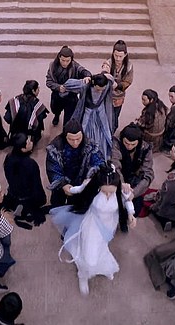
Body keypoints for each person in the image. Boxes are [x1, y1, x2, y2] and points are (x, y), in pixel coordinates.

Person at [50, 162, 136, 295]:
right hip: (92, 225)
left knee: (102, 247)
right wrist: (68, 188)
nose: (108, 195)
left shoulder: (120, 190)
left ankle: (104, 267)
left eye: (111, 192)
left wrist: (130, 214)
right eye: (104, 191)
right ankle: (83, 275)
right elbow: (77, 190)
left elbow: (128, 200)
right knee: (89, 253)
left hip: (109, 225)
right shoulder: (91, 187)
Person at [45, 120, 106, 208]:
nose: (75, 143)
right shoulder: (55, 149)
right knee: (58, 204)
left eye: (78, 139)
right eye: (71, 139)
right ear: (65, 136)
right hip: (63, 183)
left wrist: (91, 177)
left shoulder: (89, 145)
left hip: (82, 183)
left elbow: (98, 161)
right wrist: (62, 184)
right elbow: (53, 170)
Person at [65, 73, 116, 159]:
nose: (100, 91)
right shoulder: (86, 86)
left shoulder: (107, 85)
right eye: (98, 89)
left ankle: (102, 155)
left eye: (102, 89)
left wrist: (106, 74)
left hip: (101, 113)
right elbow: (68, 83)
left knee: (105, 133)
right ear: (94, 84)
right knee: (84, 131)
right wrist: (84, 80)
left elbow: (111, 79)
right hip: (88, 114)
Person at [3, 132, 47, 227]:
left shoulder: (8, 158)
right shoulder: (30, 164)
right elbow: (36, 184)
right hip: (28, 195)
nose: (31, 142)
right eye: (28, 142)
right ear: (23, 149)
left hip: (14, 192)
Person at [110, 124, 154, 216]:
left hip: (134, 177)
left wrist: (134, 193)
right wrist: (122, 183)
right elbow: (115, 165)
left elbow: (148, 174)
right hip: (119, 176)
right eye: (126, 143)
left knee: (135, 209)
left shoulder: (146, 148)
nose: (129, 146)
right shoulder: (117, 143)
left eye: (133, 144)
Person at [45, 45, 91, 126]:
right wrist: (58, 87)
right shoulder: (52, 66)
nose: (65, 63)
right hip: (57, 94)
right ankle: (57, 115)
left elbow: (83, 71)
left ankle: (65, 130)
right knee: (55, 109)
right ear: (59, 57)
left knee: (69, 117)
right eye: (63, 60)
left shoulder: (74, 66)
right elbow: (49, 82)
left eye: (67, 61)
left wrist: (87, 76)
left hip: (70, 95)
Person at [101, 40, 133, 133]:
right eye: (116, 55)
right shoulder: (109, 62)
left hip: (119, 96)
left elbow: (128, 81)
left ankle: (112, 132)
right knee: (106, 115)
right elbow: (104, 70)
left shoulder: (129, 66)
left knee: (115, 116)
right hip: (107, 94)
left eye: (120, 56)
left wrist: (117, 86)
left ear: (125, 55)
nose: (118, 58)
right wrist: (105, 74)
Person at [4, 80, 49, 144]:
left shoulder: (14, 101)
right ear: (33, 91)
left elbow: (7, 119)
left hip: (15, 134)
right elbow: (40, 119)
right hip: (30, 136)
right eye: (38, 89)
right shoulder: (37, 105)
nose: (39, 90)